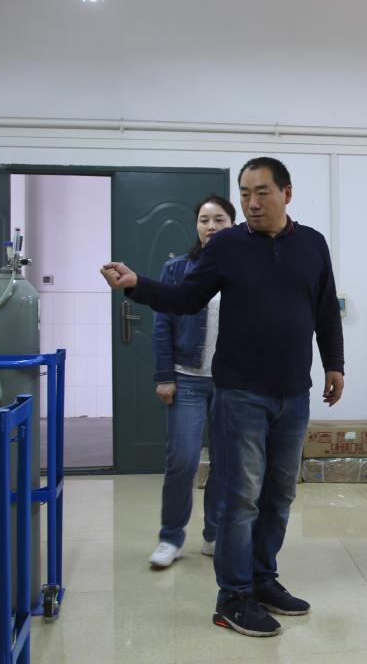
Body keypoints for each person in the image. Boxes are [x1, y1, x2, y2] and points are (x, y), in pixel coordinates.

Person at [99, 157, 345, 638]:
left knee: (280, 493)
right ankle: (232, 597)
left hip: (294, 393)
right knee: (241, 496)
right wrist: (137, 285)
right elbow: (187, 297)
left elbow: (324, 310)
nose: (252, 203)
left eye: (262, 193)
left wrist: (334, 363)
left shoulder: (312, 244)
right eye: (245, 193)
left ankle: (262, 579)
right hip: (240, 393)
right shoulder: (228, 245)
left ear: (287, 193)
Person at [148, 195, 235, 569]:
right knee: (182, 461)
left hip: (232, 383)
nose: (211, 226)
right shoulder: (177, 269)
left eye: (219, 219)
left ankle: (214, 534)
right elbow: (162, 323)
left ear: (233, 224)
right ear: (196, 226)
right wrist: (164, 376)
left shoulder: (244, 269)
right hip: (187, 380)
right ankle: (170, 538)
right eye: (204, 219)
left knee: (225, 465)